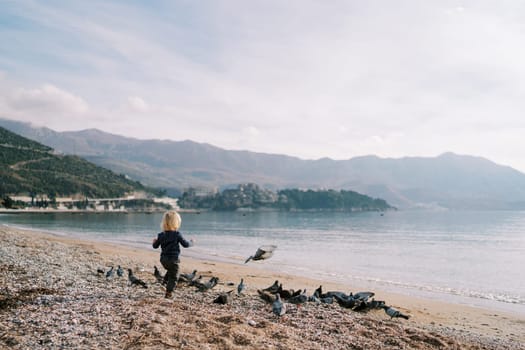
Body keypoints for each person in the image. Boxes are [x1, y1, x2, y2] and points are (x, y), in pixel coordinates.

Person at [152, 210, 194, 298]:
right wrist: (191, 242)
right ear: (176, 223)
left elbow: (155, 246)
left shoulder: (161, 235)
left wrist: (154, 242)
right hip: (173, 260)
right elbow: (185, 245)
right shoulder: (177, 234)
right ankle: (168, 293)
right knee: (175, 276)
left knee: (171, 271)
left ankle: (164, 283)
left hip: (163, 260)